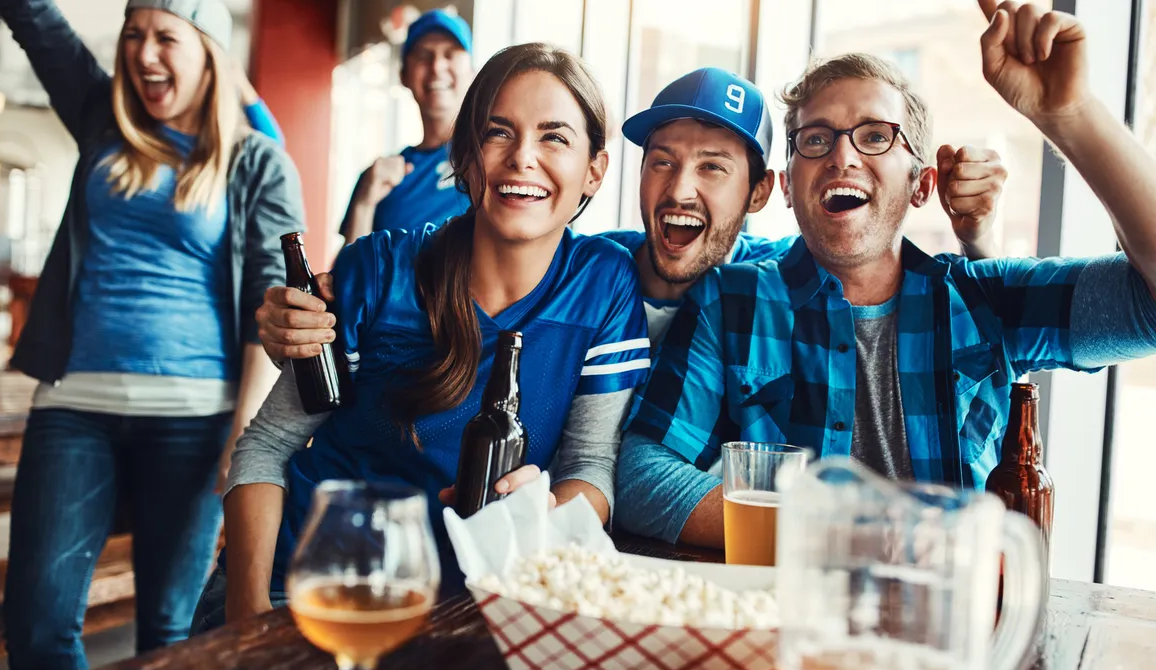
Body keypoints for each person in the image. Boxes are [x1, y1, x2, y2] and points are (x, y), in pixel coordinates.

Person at [619, 0, 1156, 549]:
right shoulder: (731, 300)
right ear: (785, 186)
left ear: (922, 184)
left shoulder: (981, 298)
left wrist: (1071, 114)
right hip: (787, 622)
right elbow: (641, 475)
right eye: (816, 139)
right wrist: (833, 534)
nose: (841, 157)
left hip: (950, 625)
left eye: (875, 135)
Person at [194, 42, 650, 631]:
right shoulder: (379, 271)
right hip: (303, 593)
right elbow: (265, 448)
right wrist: (248, 617)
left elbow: (589, 464)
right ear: (465, 154)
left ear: (595, 169)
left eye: (554, 137)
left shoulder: (604, 283)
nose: (522, 159)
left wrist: (541, 516)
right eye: (498, 132)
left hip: (459, 613)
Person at [258, 68, 1006, 362]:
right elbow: (477, 246)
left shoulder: (769, 283)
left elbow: (895, 287)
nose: (680, 188)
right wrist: (320, 301)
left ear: (759, 193)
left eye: (714, 166)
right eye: (662, 159)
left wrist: (974, 231)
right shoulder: (595, 266)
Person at [0, 0, 303, 670]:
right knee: (38, 626)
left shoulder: (258, 162)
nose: (143, 52)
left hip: (194, 422)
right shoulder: (103, 118)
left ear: (209, 52)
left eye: (166, 36)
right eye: (133, 35)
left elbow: (267, 301)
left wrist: (244, 435)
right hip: (74, 406)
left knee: (172, 637)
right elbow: (38, 23)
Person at [339, 9, 475, 243]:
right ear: (403, 75)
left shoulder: (489, 157)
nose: (437, 66)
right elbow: (350, 274)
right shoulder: (377, 178)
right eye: (424, 55)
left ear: (473, 72)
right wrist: (364, 203)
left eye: (450, 54)